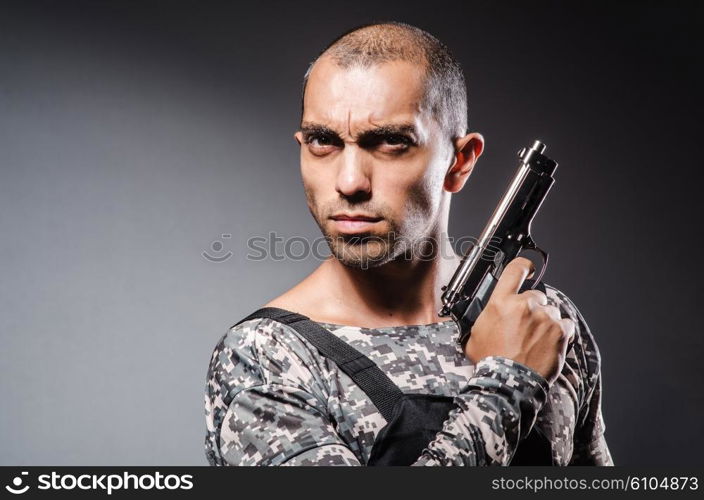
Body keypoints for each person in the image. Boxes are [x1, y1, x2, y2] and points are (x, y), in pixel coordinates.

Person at [204, 22, 613, 466]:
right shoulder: (267, 356)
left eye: (391, 142)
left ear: (460, 162)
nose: (349, 182)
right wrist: (509, 385)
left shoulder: (543, 322)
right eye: (324, 141)